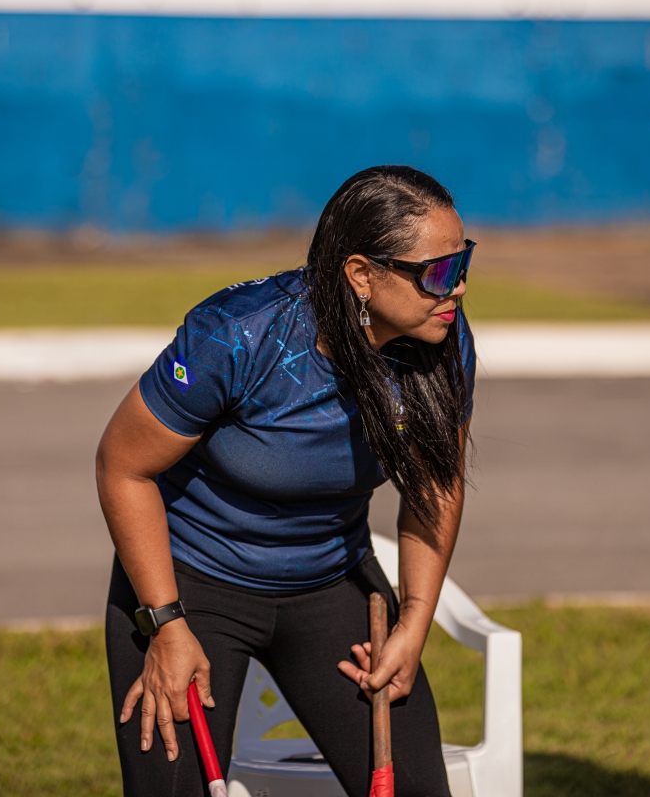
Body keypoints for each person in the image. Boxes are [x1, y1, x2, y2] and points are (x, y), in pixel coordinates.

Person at [95, 165, 476, 797]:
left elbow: (435, 486)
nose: (457, 287)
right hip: (187, 587)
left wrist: (414, 624)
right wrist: (164, 624)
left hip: (331, 582)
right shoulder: (237, 334)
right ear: (362, 274)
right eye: (437, 271)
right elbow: (122, 466)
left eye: (463, 262)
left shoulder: (442, 339)